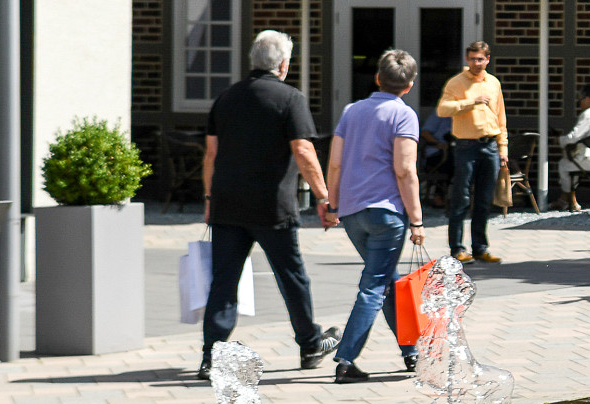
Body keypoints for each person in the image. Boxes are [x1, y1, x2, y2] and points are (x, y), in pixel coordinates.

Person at [200, 29, 335, 379]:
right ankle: (310, 344)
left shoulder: (226, 98)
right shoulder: (290, 98)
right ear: (284, 64)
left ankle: (211, 355)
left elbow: (211, 153)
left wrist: (209, 197)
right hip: (272, 207)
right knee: (292, 277)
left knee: (224, 281)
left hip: (228, 204)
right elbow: (303, 150)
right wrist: (323, 197)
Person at [322, 47, 426, 384]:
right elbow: (405, 170)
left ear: (378, 78)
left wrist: (332, 205)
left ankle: (412, 352)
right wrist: (417, 220)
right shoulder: (404, 115)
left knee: (388, 281)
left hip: (353, 213)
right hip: (387, 214)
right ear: (409, 85)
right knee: (374, 286)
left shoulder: (351, 111)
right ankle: (346, 360)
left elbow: (335, 163)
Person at [436, 41, 507, 262]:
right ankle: (457, 249)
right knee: (461, 199)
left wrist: (503, 147)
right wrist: (471, 102)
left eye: (480, 59)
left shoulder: (493, 83)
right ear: (467, 59)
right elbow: (442, 110)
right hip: (466, 146)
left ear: (488, 59)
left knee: (484, 200)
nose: (476, 63)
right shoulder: (456, 82)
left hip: (490, 145)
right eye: (473, 59)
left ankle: (480, 248)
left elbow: (501, 117)